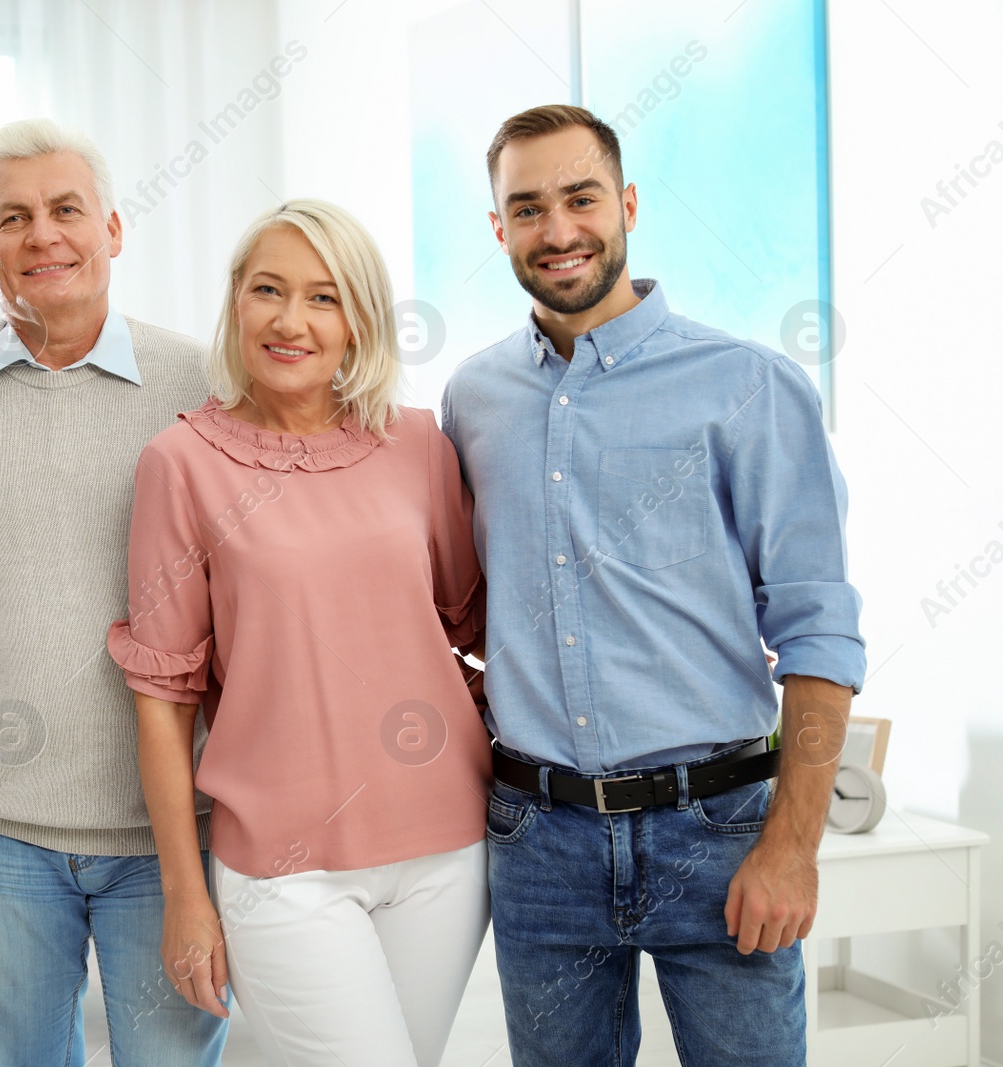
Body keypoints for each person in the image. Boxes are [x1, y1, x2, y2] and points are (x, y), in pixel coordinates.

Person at [443, 104, 866, 1065]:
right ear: (499, 227)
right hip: (537, 839)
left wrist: (792, 846)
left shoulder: (748, 386)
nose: (558, 230)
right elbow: (465, 604)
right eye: (528, 207)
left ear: (626, 203)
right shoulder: (472, 400)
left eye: (581, 197)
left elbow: (820, 633)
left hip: (717, 832)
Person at [110, 199, 491, 1067]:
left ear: (357, 321)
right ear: (235, 303)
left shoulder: (419, 445)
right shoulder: (182, 464)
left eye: (322, 298)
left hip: (447, 846)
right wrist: (184, 894)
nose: (290, 320)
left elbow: (471, 632)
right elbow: (162, 697)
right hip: (282, 867)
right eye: (267, 290)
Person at [0, 118, 226, 1066]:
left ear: (112, 230)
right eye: (13, 218)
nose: (44, 235)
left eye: (66, 209)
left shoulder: (203, 384)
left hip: (175, 829)